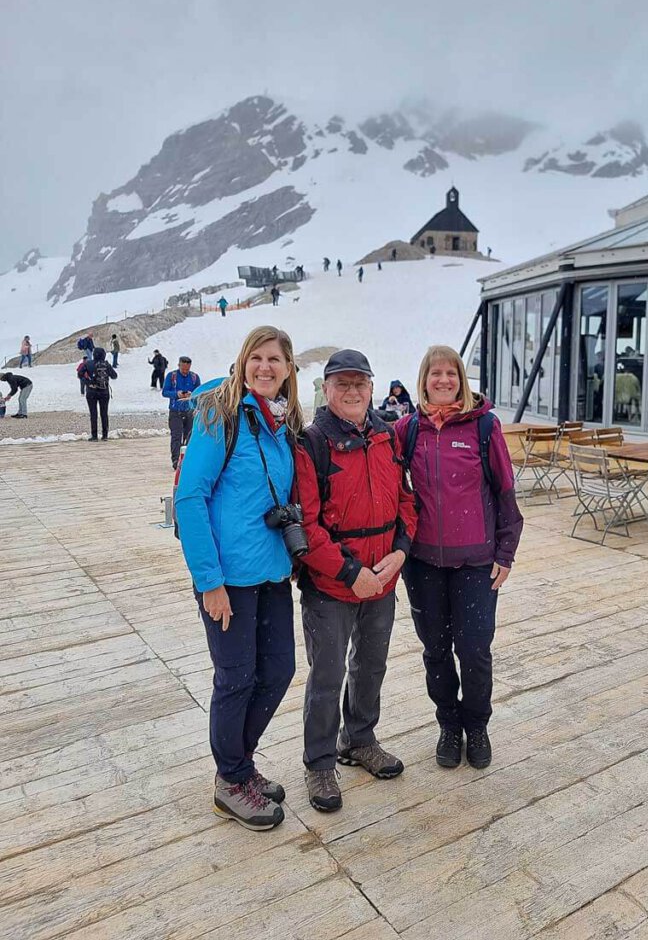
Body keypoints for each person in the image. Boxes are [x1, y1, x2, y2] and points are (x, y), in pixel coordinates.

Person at [175, 326, 302, 832]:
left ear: (289, 369)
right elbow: (190, 498)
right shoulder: (217, 412)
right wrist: (209, 581)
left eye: (275, 359)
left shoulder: (278, 424)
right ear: (243, 360)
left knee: (279, 671)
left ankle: (239, 765)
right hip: (227, 579)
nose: (265, 367)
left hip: (271, 575)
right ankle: (231, 780)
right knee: (236, 679)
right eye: (257, 357)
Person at [293, 349, 417, 813]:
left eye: (359, 383)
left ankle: (359, 738)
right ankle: (320, 762)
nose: (351, 391)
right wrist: (350, 572)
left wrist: (400, 552)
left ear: (371, 387)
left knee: (371, 665)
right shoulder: (312, 443)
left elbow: (407, 501)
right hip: (332, 585)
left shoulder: (387, 436)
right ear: (325, 390)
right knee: (327, 675)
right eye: (340, 383)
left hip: (383, 577)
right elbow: (307, 526)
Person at [396, 345, 523, 770]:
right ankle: (448, 726)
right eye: (436, 373)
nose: (444, 380)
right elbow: (390, 490)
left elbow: (505, 491)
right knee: (435, 650)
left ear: (461, 380)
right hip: (423, 564)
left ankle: (477, 725)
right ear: (424, 379)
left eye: (451, 373)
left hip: (476, 563)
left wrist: (506, 549)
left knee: (474, 650)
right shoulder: (407, 430)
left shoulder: (484, 427)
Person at [163, 357, 201, 470]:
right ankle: (175, 460)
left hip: (189, 411)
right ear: (179, 365)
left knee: (190, 436)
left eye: (187, 369)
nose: (185, 372)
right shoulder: (172, 376)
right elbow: (165, 392)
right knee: (176, 436)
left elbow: (200, 392)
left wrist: (192, 394)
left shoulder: (194, 377)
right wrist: (177, 394)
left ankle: (187, 459)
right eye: (183, 369)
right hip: (175, 411)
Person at [78, 346, 117, 440]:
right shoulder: (106, 364)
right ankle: (105, 435)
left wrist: (88, 382)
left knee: (93, 414)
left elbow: (80, 374)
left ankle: (94, 436)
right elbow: (114, 376)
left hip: (91, 391)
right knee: (104, 414)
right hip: (104, 392)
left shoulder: (88, 363)